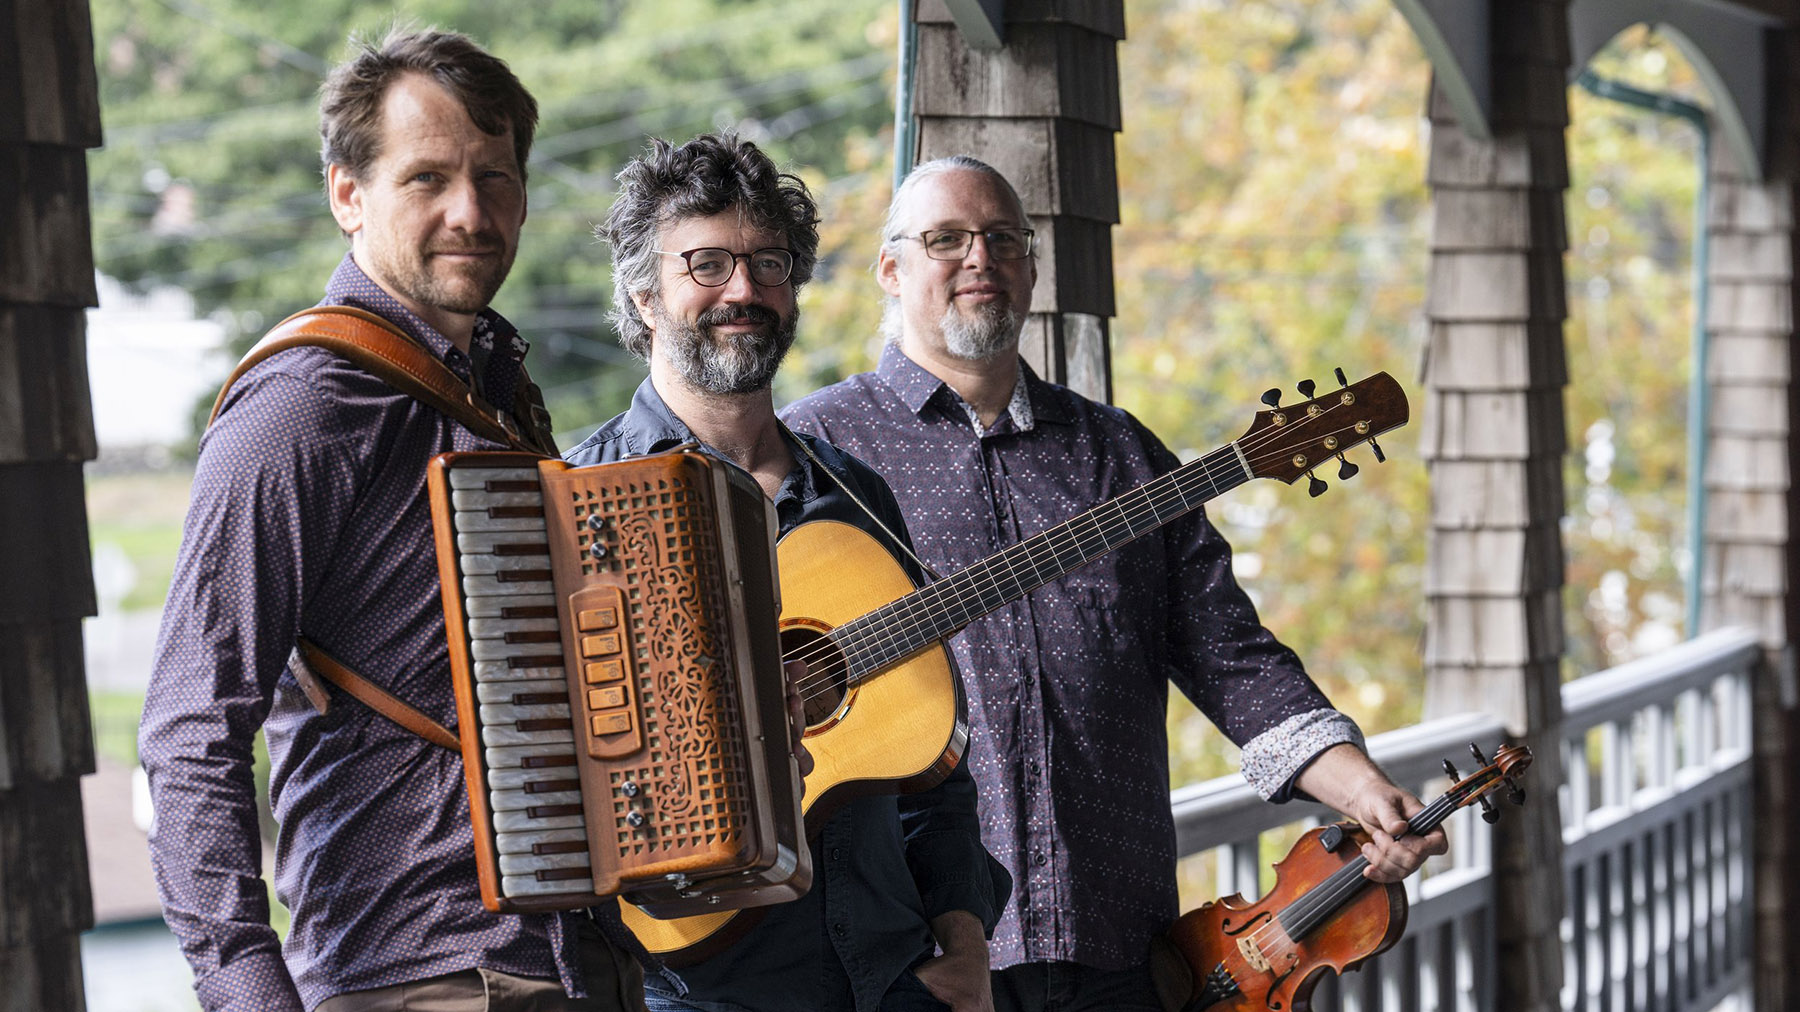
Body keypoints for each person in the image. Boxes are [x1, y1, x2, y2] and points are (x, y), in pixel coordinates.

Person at [780, 156, 1448, 1012]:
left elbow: (1232, 661)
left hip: (1115, 943)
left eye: (1004, 239)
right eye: (946, 240)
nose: (979, 258)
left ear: (1030, 265)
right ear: (890, 268)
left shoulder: (1121, 457)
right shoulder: (814, 454)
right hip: (910, 955)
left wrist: (1363, 790)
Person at [139, 29, 644, 1012]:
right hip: (417, 980)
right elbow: (189, 729)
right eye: (428, 178)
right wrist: (249, 991)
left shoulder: (501, 389)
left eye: (495, 177)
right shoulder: (301, 406)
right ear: (348, 195)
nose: (471, 211)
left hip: (579, 967)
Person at [564, 133, 1009, 1012]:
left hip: (892, 982)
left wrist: (963, 945)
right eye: (707, 263)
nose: (744, 290)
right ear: (644, 296)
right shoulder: (582, 504)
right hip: (696, 992)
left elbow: (932, 763)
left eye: (769, 262)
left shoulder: (854, 494)